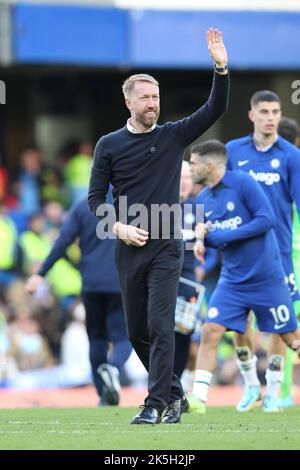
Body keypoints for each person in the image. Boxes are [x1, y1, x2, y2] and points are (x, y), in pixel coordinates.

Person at [88, 29, 229, 424]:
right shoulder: (108, 144)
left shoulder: (173, 136)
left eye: (156, 98)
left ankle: (154, 403)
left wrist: (220, 68)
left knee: (161, 324)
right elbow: (95, 200)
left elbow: (214, 109)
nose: (153, 104)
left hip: (168, 245)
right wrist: (119, 228)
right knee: (137, 332)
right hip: (128, 246)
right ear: (129, 101)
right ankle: (176, 394)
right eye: (146, 98)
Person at [188, 140, 300, 413]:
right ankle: (198, 399)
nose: (190, 170)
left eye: (193, 164)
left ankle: (271, 393)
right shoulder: (202, 199)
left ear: (210, 165)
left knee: (290, 337)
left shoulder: (244, 183)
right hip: (232, 281)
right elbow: (208, 234)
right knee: (210, 330)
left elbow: (266, 219)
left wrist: (220, 237)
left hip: (266, 278)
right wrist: (202, 242)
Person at [227, 91, 300, 412]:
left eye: (276, 111)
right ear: (252, 115)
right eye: (265, 111)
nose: (271, 117)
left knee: (279, 326)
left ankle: (272, 390)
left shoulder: (291, 156)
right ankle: (250, 384)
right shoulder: (232, 152)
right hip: (240, 254)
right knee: (236, 324)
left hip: (279, 255)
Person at [25, 195, 132, 406]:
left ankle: (103, 393)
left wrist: (40, 274)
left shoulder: (83, 206)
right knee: (124, 337)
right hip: (122, 281)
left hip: (92, 283)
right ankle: (114, 368)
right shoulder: (132, 204)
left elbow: (62, 242)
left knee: (97, 338)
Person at [277, 116, 300, 407]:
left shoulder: (280, 166)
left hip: (282, 257)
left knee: (281, 325)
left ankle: (280, 393)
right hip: (288, 255)